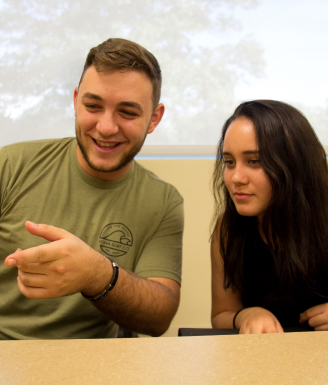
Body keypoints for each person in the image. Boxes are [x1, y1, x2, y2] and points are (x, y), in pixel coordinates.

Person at [0, 38, 184, 339]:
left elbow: (159, 317)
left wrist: (97, 274)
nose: (106, 127)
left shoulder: (163, 201)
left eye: (127, 112)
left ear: (154, 118)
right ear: (75, 101)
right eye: (93, 106)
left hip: (96, 366)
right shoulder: (10, 164)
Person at [211, 99, 328, 334]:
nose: (236, 178)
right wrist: (247, 314)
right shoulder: (228, 228)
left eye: (254, 161)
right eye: (230, 162)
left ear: (294, 165)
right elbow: (221, 315)